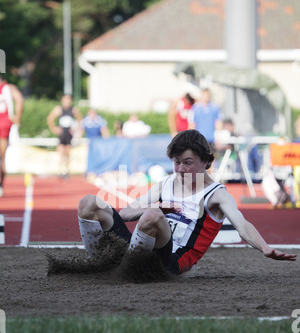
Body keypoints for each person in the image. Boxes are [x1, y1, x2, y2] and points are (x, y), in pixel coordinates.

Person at [78, 130, 296, 278]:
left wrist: (265, 248)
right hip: (139, 251)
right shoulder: (165, 183)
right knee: (89, 202)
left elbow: (242, 225)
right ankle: (101, 265)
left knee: (152, 216)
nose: (180, 169)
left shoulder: (217, 195)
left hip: (169, 263)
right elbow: (126, 212)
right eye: (176, 163)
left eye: (187, 163)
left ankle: (127, 271)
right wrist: (161, 207)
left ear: (206, 163)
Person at [47, 94, 82, 178]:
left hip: (69, 133)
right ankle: (60, 170)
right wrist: (54, 128)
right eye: (65, 100)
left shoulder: (73, 110)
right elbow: (50, 118)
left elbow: (80, 119)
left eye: (68, 100)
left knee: (68, 151)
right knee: (61, 150)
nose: (67, 102)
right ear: (62, 100)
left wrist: (76, 129)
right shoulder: (58, 109)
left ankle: (67, 170)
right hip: (62, 133)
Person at [0, 75, 24, 197]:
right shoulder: (10, 88)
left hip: (3, 124)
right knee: (2, 157)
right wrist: (17, 118)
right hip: (4, 124)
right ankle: (0, 185)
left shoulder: (8, 88)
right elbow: (20, 100)